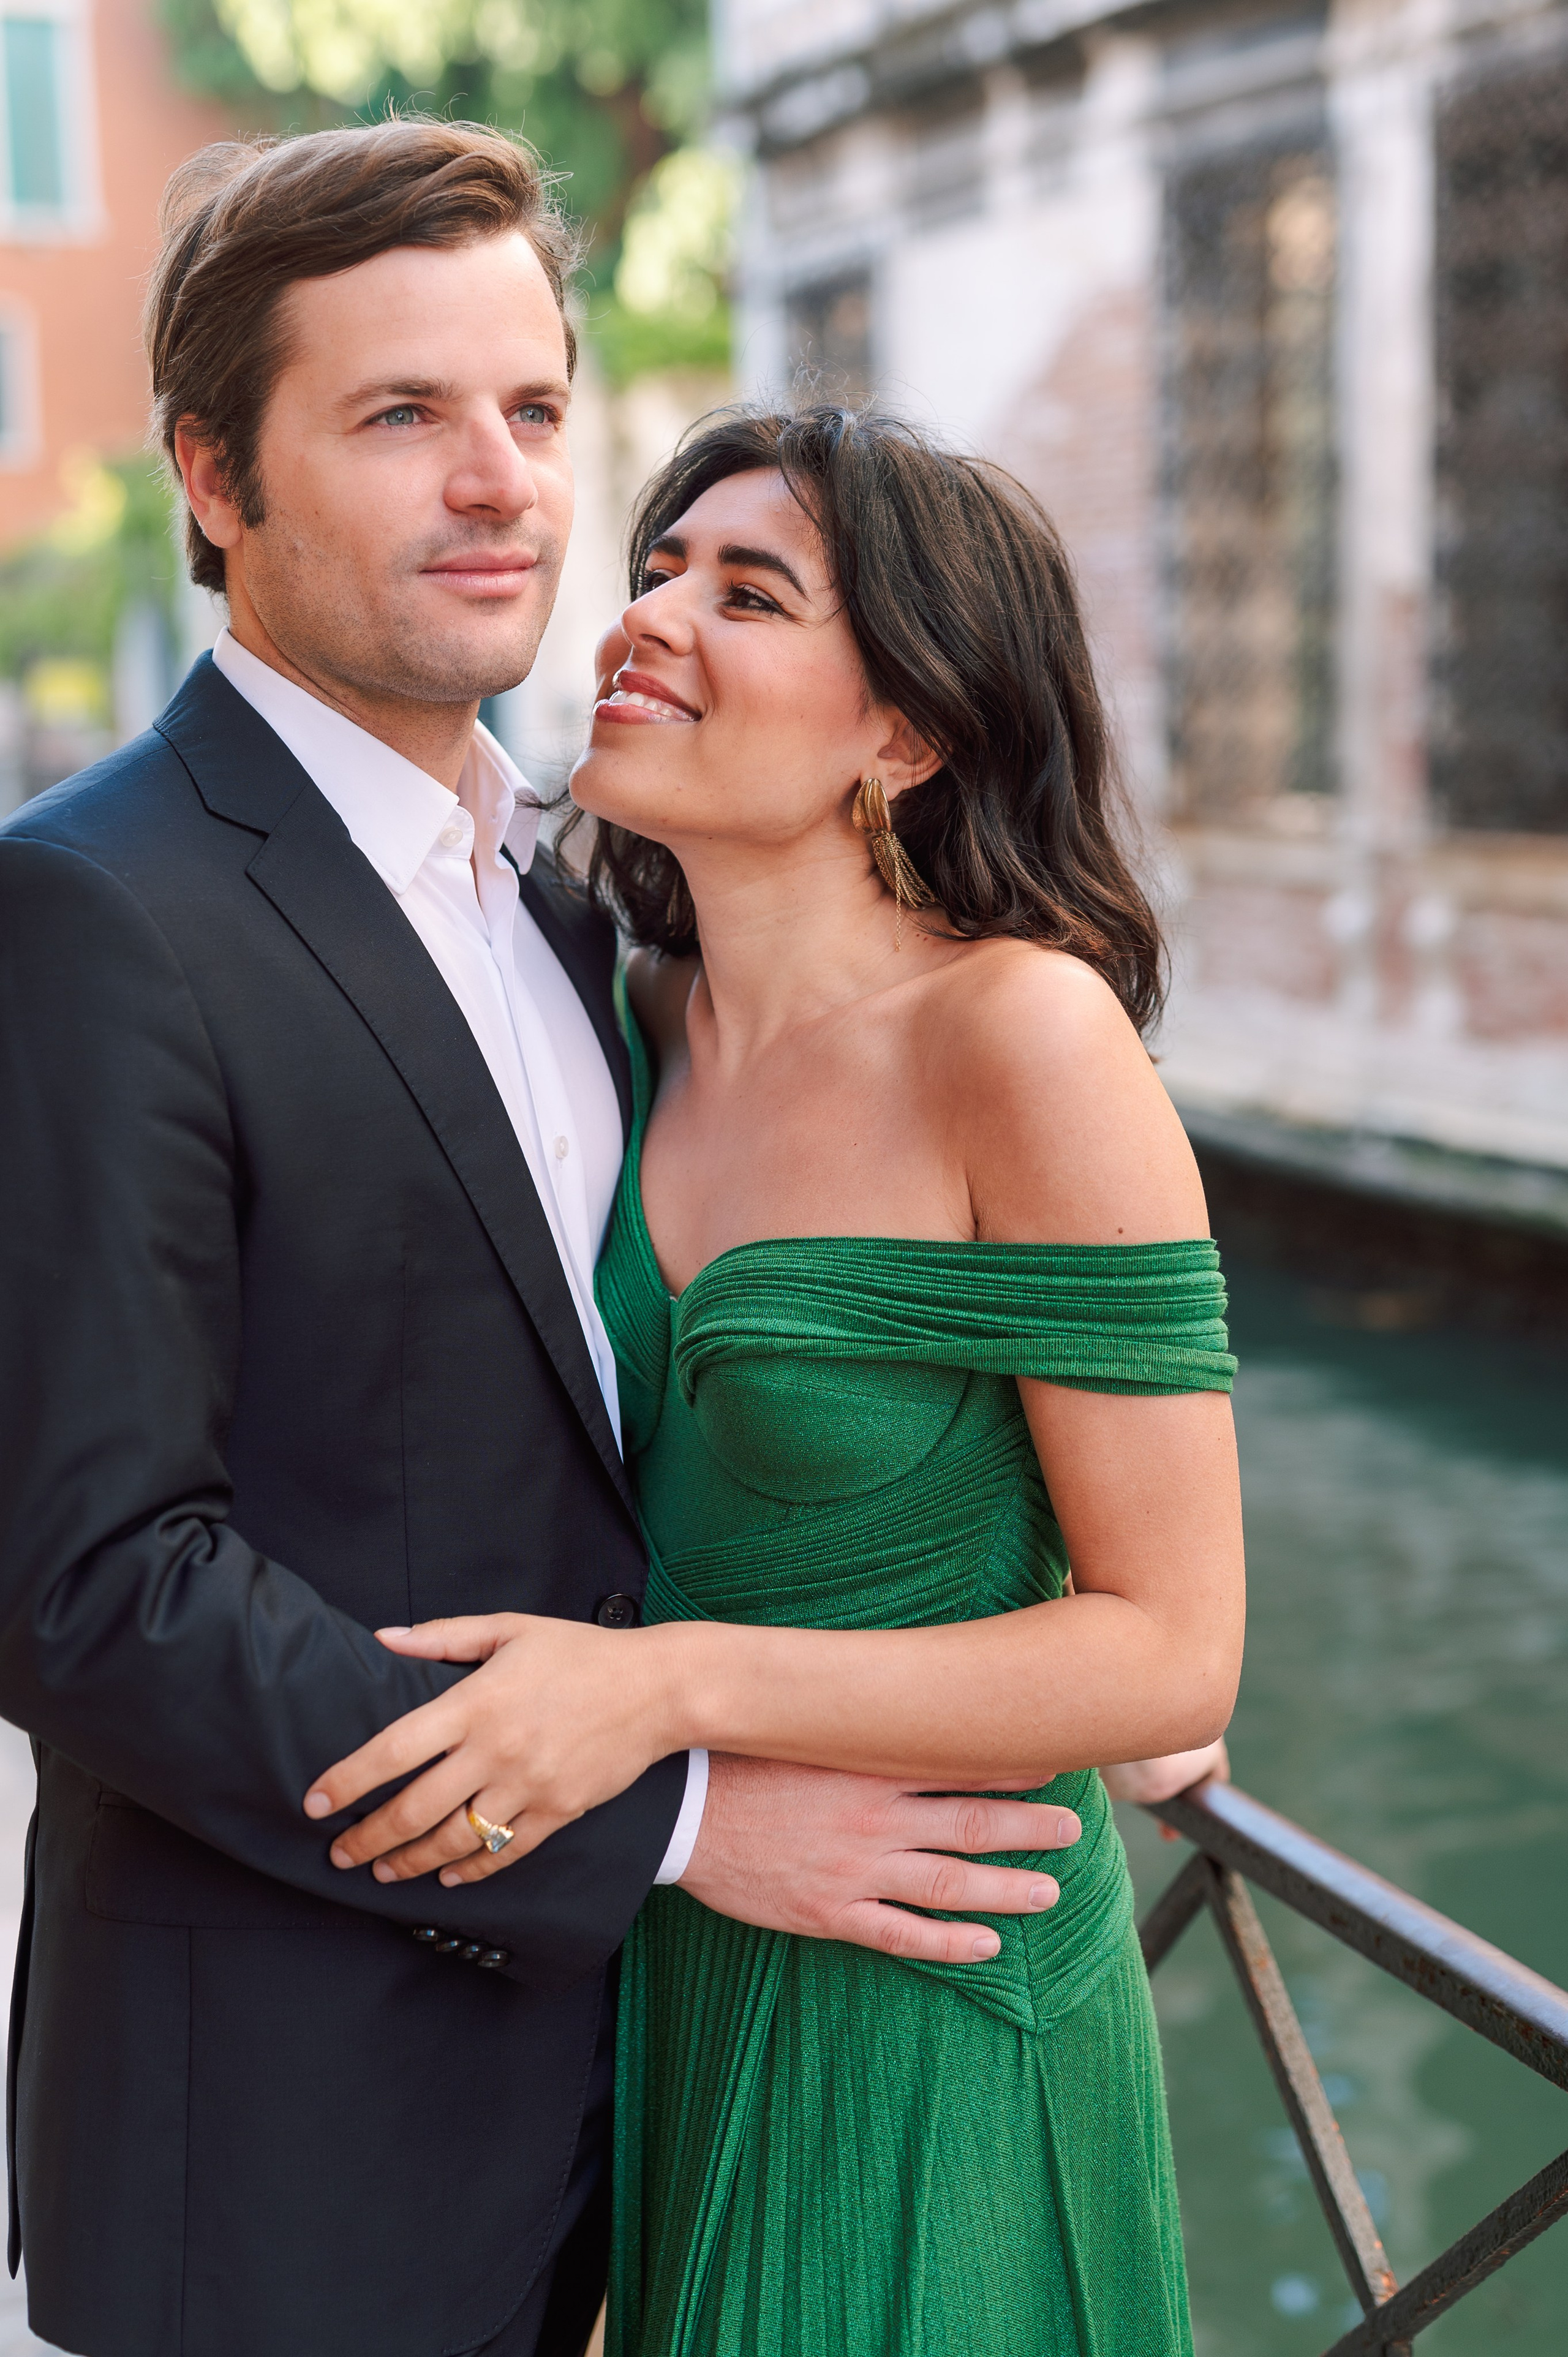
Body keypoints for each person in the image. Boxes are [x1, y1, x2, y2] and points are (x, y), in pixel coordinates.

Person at [0, 136, 1084, 2357]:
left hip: (645, 2122)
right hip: (295, 2164)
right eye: (400, 416)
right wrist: (678, 1827)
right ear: (216, 476)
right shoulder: (96, 911)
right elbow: (91, 1592)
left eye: (532, 409)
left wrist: (1052, 1640)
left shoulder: (591, 911)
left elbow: (654, 1410)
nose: (499, 482)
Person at [311, 405, 1248, 2355]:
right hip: (670, 1940)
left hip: (931, 1984)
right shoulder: (600, 1014)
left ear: (905, 732)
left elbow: (1175, 1652)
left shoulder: (1025, 1040)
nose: (649, 614)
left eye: (750, 592)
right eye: (661, 566)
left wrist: (669, 1688)